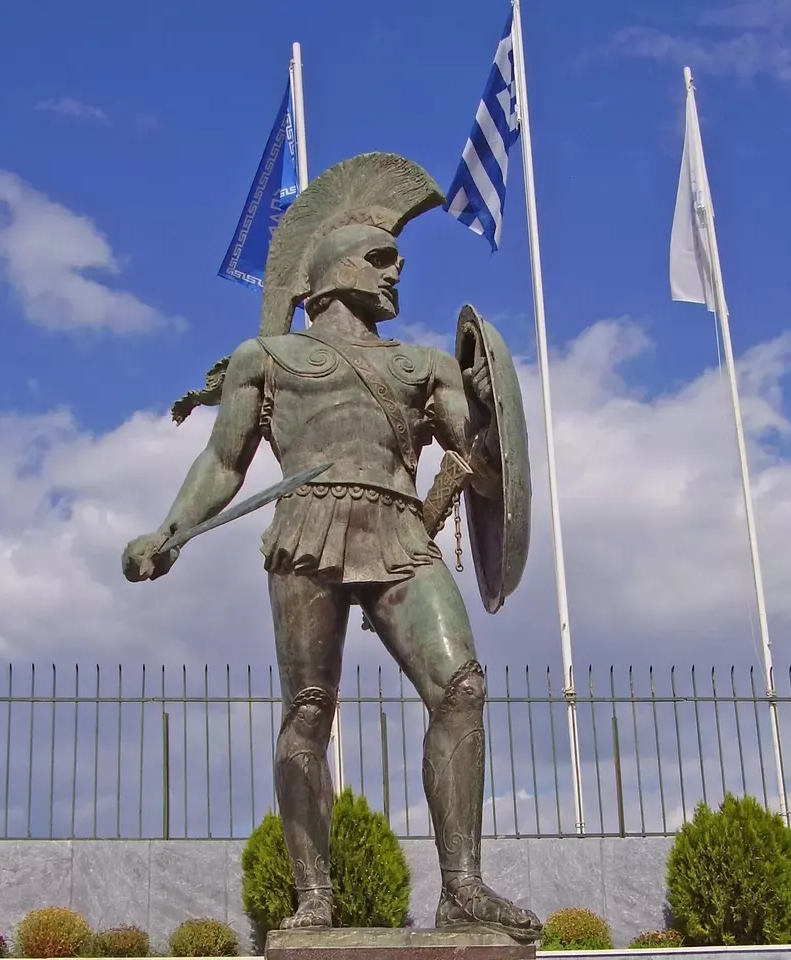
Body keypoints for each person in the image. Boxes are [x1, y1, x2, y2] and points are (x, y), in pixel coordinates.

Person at [122, 153, 541, 943]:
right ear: (334, 268)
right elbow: (221, 463)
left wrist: (486, 424)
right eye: (381, 260)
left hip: (402, 531)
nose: (396, 274)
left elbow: (486, 467)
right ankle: (314, 896)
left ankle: (462, 888)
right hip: (307, 528)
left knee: (462, 688)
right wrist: (168, 532)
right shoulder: (266, 360)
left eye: (398, 262)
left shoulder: (427, 365)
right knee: (309, 711)